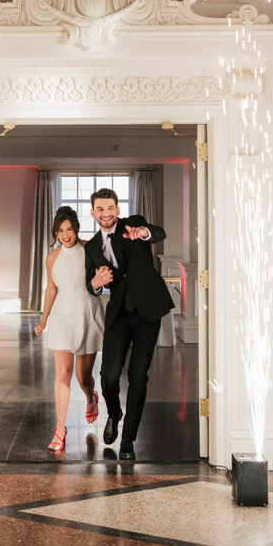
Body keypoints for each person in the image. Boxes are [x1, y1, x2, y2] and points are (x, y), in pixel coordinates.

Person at [85, 187, 173, 460]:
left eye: (110, 208)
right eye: (100, 209)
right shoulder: (91, 247)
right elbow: (92, 281)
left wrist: (144, 233)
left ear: (117, 209)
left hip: (148, 310)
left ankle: (128, 440)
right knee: (109, 375)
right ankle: (114, 413)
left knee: (138, 375)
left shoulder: (133, 224)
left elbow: (158, 233)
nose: (106, 213)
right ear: (93, 213)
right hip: (118, 314)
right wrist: (95, 284)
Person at [35, 206, 105, 453]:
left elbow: (101, 278)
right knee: (62, 373)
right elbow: (51, 289)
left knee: (81, 377)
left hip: (87, 311)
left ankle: (90, 396)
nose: (66, 234)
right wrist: (44, 320)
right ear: (56, 232)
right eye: (61, 230)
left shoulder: (89, 249)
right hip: (62, 315)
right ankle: (60, 429)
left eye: (70, 229)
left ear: (76, 229)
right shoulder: (52, 257)